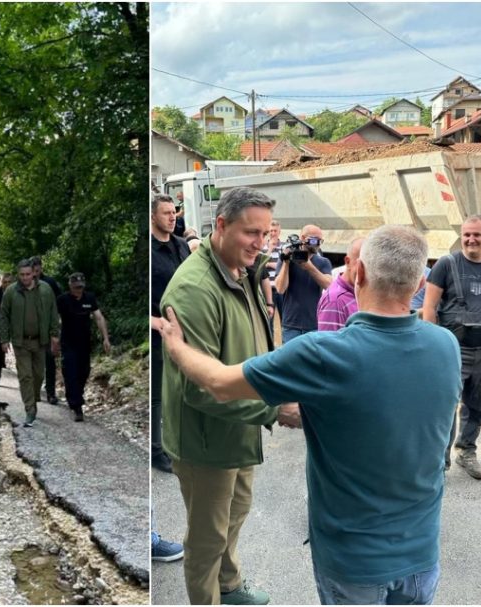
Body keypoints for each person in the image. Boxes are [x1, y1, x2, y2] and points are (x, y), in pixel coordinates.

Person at [157, 224, 461, 606]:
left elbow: (217, 383)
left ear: (358, 273)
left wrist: (177, 346)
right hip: (422, 561)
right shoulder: (446, 345)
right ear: (420, 283)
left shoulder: (323, 354)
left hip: (354, 566)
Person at [158, 186, 297, 606]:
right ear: (220, 225)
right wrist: (274, 407)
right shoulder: (195, 290)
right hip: (206, 439)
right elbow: (201, 390)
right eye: (250, 233)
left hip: (238, 428)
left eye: (266, 232)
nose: (260, 242)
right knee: (207, 537)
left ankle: (231, 589)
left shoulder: (240, 271)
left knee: (233, 516)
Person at [423, 215, 481, 480]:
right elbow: (429, 307)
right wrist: (430, 345)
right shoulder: (446, 264)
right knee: (446, 404)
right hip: (452, 347)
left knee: (478, 403)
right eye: (466, 235)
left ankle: (467, 451)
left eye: (476, 234)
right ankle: (441, 460)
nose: (471, 240)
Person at [150, 193, 192, 474]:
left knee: (183, 388)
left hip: (185, 330)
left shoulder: (181, 247)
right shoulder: (149, 252)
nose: (172, 217)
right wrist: (155, 323)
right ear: (152, 217)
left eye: (174, 212)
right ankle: (157, 450)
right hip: (159, 333)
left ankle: (180, 442)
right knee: (158, 395)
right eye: (166, 213)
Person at [0, 259, 60, 427]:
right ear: (18, 275)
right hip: (21, 342)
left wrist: (55, 335)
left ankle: (33, 398)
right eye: (22, 275)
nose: (25, 278)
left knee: (38, 375)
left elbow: (53, 312)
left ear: (34, 273)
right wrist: (4, 339)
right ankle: (30, 410)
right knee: (25, 376)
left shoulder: (46, 290)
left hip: (41, 341)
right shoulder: (11, 292)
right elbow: (3, 315)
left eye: (28, 274)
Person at [57, 273, 111, 422]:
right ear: (70, 286)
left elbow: (99, 317)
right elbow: (55, 319)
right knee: (71, 372)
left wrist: (105, 338)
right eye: (76, 287)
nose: (78, 290)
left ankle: (74, 395)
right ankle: (77, 406)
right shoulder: (62, 300)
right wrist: (53, 339)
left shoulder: (89, 298)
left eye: (81, 287)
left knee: (84, 372)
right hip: (68, 343)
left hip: (85, 343)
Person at [275, 224, 333, 342]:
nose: (317, 244)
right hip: (291, 325)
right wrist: (286, 263)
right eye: (313, 240)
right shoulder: (287, 259)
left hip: (314, 325)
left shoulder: (323, 262)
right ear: (302, 238)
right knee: (290, 360)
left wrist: (309, 267)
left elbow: (329, 285)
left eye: (320, 240)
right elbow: (280, 289)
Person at [31, 256, 62, 405]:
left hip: (48, 327)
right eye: (33, 270)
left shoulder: (50, 283)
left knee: (50, 360)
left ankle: (51, 393)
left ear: (41, 268)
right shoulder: (25, 284)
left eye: (38, 270)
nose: (36, 273)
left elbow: (60, 301)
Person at [316, 238, 363, 332]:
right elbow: (328, 344)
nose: (364, 273)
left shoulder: (359, 292)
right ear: (347, 262)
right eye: (360, 266)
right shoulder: (335, 302)